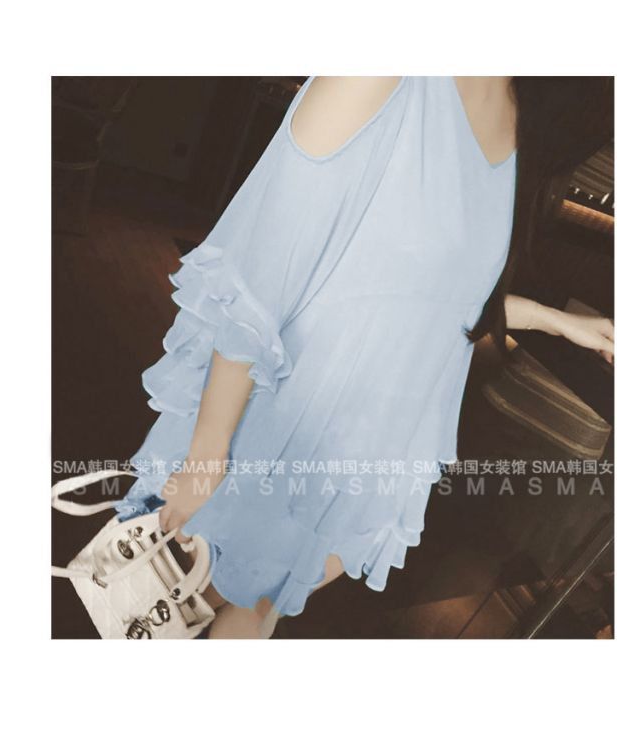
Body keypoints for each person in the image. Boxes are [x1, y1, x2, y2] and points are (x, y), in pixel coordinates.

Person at [115, 76, 614, 639]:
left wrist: (556, 320)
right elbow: (256, 281)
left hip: (368, 457)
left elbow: (438, 300)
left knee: (248, 616)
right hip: (274, 431)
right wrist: (207, 453)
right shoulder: (383, 76)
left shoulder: (522, 117)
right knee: (161, 615)